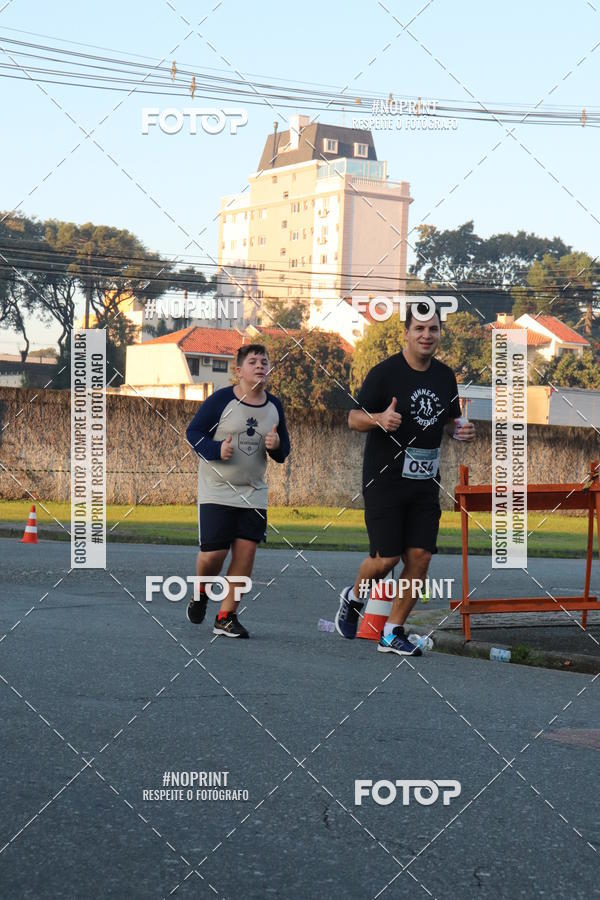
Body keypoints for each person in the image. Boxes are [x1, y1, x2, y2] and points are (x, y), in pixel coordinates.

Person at [336, 301, 475, 656]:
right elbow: (353, 419)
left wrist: (458, 428)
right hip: (385, 480)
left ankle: (392, 631)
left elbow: (446, 422)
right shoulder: (385, 373)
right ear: (406, 333)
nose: (427, 336)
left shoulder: (445, 377)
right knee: (386, 560)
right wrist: (379, 419)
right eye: (419, 329)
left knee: (421, 557)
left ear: (440, 334)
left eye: (433, 329)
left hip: (425, 480)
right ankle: (354, 597)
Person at [185, 344, 290, 638]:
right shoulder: (221, 401)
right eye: (253, 362)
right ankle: (201, 591)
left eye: (264, 362)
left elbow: (284, 450)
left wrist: (277, 445)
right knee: (214, 555)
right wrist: (217, 448)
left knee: (246, 554)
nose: (260, 366)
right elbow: (193, 433)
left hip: (254, 491)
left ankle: (226, 616)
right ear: (239, 370)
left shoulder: (274, 406)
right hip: (217, 489)